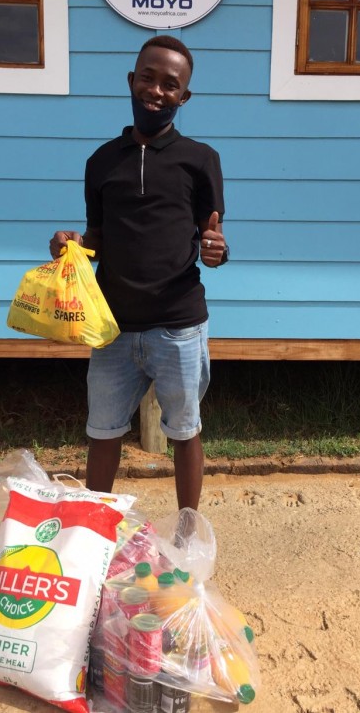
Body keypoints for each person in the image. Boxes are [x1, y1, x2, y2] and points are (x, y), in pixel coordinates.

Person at [49, 35, 229, 511]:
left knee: (185, 432)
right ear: (132, 81)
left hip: (179, 326)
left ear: (184, 97)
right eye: (148, 78)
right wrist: (72, 246)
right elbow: (97, 236)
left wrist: (217, 252)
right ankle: (95, 530)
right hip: (112, 326)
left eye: (170, 84)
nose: (156, 91)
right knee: (103, 432)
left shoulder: (201, 160)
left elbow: (212, 237)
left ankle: (188, 531)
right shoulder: (101, 161)